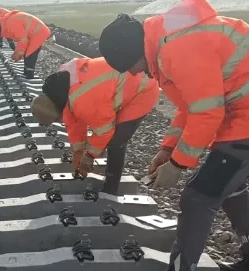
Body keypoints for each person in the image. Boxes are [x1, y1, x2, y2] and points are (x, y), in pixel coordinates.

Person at [98, 0, 249, 271]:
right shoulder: (167, 43)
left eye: (130, 65)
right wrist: (168, 149)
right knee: (229, 186)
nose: (132, 73)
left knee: (198, 197)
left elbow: (207, 112)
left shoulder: (178, 49)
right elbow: (190, 105)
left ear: (136, 51)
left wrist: (178, 165)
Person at [31, 57, 159, 194]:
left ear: (59, 110)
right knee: (105, 130)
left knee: (116, 140)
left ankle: (111, 187)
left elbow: (104, 131)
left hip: (142, 90)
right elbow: (74, 122)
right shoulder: (62, 84)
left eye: (58, 119)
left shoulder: (85, 102)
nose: (61, 121)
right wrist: (78, 151)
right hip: (121, 83)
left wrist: (90, 156)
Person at [0, 10, 51, 79]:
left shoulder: (12, 24)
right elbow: (20, 40)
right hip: (35, 32)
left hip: (39, 33)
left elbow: (23, 40)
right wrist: (16, 52)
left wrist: (19, 53)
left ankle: (29, 75)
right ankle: (26, 73)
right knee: (27, 53)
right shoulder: (9, 21)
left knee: (30, 54)